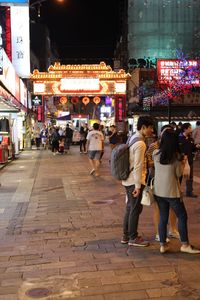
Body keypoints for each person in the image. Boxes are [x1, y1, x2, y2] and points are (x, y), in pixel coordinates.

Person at [153, 129, 200, 254]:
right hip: (172, 192)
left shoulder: (156, 153)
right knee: (182, 216)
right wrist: (183, 163)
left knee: (163, 217)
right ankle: (185, 244)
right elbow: (179, 174)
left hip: (158, 191)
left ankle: (163, 244)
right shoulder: (176, 158)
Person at [121, 115, 155, 247]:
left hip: (128, 178)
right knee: (135, 208)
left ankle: (126, 235)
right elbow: (138, 165)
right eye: (150, 128)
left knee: (130, 208)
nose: (151, 130)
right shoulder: (140, 143)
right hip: (133, 180)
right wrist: (137, 186)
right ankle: (133, 237)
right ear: (143, 127)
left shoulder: (132, 137)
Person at [146, 125, 179, 241]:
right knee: (158, 208)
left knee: (173, 207)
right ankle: (158, 233)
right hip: (156, 179)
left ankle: (173, 229)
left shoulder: (174, 146)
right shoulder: (154, 146)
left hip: (172, 179)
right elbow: (148, 162)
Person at [179, 123, 200, 198]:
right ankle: (177, 191)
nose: (191, 129)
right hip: (181, 161)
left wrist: (196, 147)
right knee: (179, 177)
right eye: (190, 128)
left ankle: (189, 192)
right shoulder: (179, 138)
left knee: (190, 177)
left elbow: (192, 149)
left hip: (189, 161)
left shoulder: (191, 139)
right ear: (185, 129)